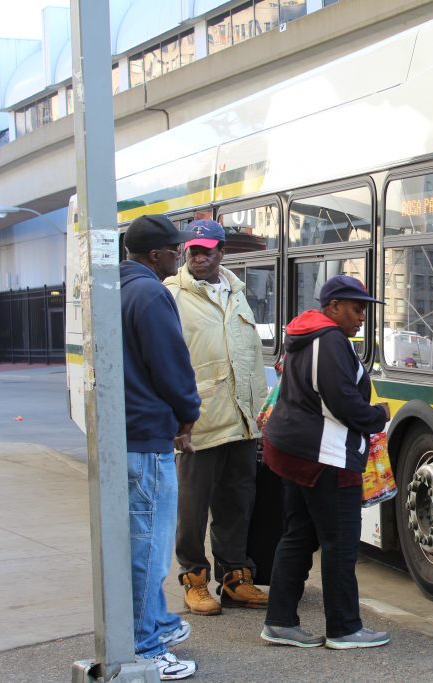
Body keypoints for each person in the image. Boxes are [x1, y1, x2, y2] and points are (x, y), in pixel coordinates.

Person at [258, 274, 392, 649]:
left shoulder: (303, 334)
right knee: (340, 542)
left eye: (364, 308)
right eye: (355, 307)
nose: (361, 316)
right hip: (325, 455)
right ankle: (344, 628)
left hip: (293, 450)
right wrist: (376, 415)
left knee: (298, 535)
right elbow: (342, 401)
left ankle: (281, 621)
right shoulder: (330, 339)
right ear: (333, 307)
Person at [163, 219, 270, 616]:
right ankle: (194, 579)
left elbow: (250, 357)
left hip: (242, 422)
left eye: (207, 249)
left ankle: (235, 578)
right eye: (193, 249)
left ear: (222, 252)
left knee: (237, 503)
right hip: (198, 423)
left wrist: (262, 415)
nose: (199, 256)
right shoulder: (171, 294)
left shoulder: (237, 293)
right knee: (191, 509)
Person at [120, 214, 202, 680]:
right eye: (177, 249)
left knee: (140, 545)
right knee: (149, 551)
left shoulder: (118, 288)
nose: (182, 256)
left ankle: (160, 623)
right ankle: (146, 650)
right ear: (156, 255)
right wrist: (188, 414)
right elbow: (172, 367)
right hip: (148, 439)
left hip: (128, 434)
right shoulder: (152, 293)